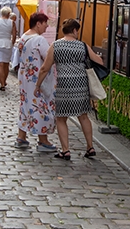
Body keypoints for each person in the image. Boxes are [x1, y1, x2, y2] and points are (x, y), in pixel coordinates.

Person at [36, 18, 104, 161]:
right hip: (81, 84)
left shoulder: (55, 45)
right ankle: (90, 147)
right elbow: (99, 61)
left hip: (64, 85)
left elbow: (44, 69)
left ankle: (65, 150)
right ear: (74, 31)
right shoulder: (82, 46)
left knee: (61, 118)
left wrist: (38, 85)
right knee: (83, 116)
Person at [15, 12, 56, 152]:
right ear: (38, 23)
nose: (46, 27)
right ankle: (43, 140)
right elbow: (48, 58)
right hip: (37, 78)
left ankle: (21, 136)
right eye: (45, 23)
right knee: (40, 106)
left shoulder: (24, 37)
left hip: (25, 77)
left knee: (26, 104)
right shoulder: (39, 40)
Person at [0, 6, 16, 91]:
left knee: (0, 65)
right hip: (7, 43)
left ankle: (2, 84)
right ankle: (4, 81)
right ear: (9, 14)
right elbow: (14, 35)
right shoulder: (12, 22)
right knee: (6, 64)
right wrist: (11, 43)